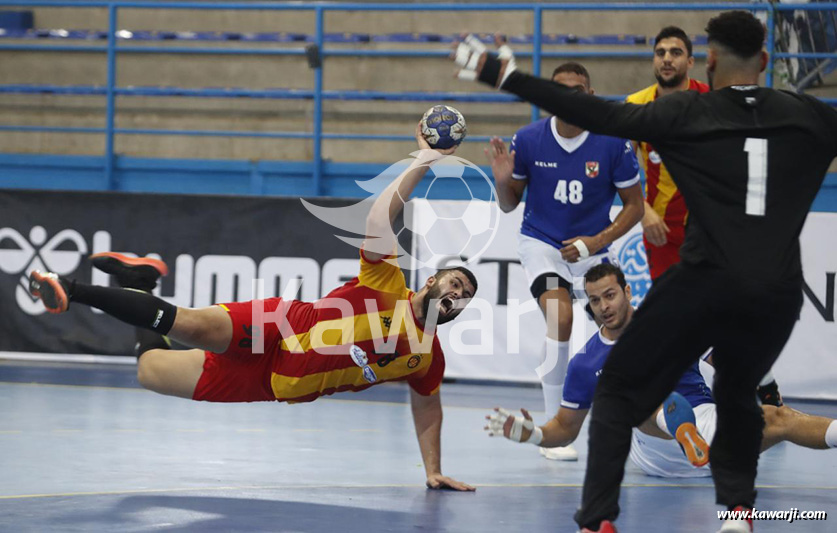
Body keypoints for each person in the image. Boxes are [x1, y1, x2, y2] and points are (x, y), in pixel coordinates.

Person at [452, 10, 835, 532]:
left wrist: (506, 76)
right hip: (779, 290)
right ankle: (737, 515)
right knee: (740, 394)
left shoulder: (686, 111)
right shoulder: (811, 115)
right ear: (766, 60)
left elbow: (594, 114)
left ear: (709, 61)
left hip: (707, 280)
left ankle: (597, 521)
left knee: (616, 389)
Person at [28, 123, 478, 492]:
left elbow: (427, 407)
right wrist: (423, 160)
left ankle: (139, 280)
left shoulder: (427, 356)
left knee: (150, 372)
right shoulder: (387, 284)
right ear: (431, 281)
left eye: (465, 296)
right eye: (456, 282)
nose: (457, 294)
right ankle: (70, 289)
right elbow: (379, 218)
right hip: (277, 326)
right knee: (191, 326)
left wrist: (433, 470)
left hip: (269, 382)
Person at [485, 264, 837, 480]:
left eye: (610, 295)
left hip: (706, 422)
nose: (604, 306)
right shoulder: (586, 362)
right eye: (595, 300)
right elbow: (564, 429)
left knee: (781, 419)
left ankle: (700, 437)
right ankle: (684, 432)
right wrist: (533, 434)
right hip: (656, 451)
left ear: (627, 291)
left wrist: (758, 393)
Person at [486, 59, 644, 461]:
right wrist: (503, 182)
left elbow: (635, 206)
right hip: (542, 243)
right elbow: (509, 205)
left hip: (594, 247)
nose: (567, 97)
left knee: (627, 328)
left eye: (576, 90)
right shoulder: (528, 139)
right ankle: (552, 430)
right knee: (561, 316)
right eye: (559, 89)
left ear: (590, 94)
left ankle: (645, 420)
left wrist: (596, 242)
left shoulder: (612, 140)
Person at [629, 26, 783, 408]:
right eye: (661, 52)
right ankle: (720, 391)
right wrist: (643, 211)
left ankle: (756, 382)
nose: (667, 59)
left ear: (691, 60)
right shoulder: (637, 106)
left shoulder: (713, 101)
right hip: (661, 232)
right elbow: (621, 171)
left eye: (675, 52)